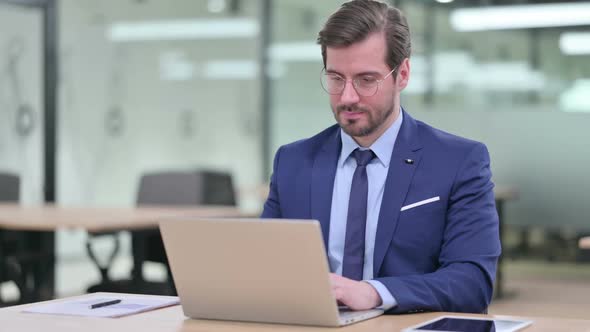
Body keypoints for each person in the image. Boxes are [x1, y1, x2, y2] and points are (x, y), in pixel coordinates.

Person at [261, 0, 500, 314]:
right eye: (335, 78)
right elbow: (264, 265)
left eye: (366, 80)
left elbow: (473, 281)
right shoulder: (293, 161)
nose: (348, 97)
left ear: (402, 74)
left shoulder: (459, 161)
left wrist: (375, 293)